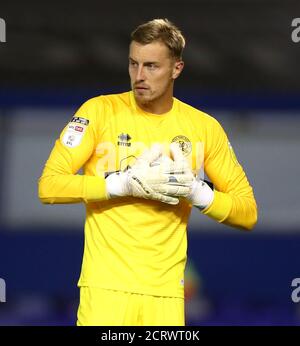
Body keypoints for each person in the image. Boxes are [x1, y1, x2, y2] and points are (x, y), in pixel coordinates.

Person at [38, 18, 257, 326]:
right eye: (133, 64)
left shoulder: (204, 128)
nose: (139, 76)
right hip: (105, 290)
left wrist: (198, 192)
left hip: (167, 294)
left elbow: (248, 213)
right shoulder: (98, 112)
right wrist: (118, 185)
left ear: (176, 69)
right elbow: (49, 186)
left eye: (152, 66)